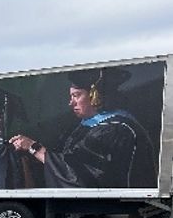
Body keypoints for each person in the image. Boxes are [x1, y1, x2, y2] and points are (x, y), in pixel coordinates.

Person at [9, 68, 157, 188]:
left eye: (76, 95)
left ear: (95, 95)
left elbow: (78, 174)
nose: (71, 103)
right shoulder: (90, 125)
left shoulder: (115, 129)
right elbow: (68, 158)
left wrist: (34, 148)